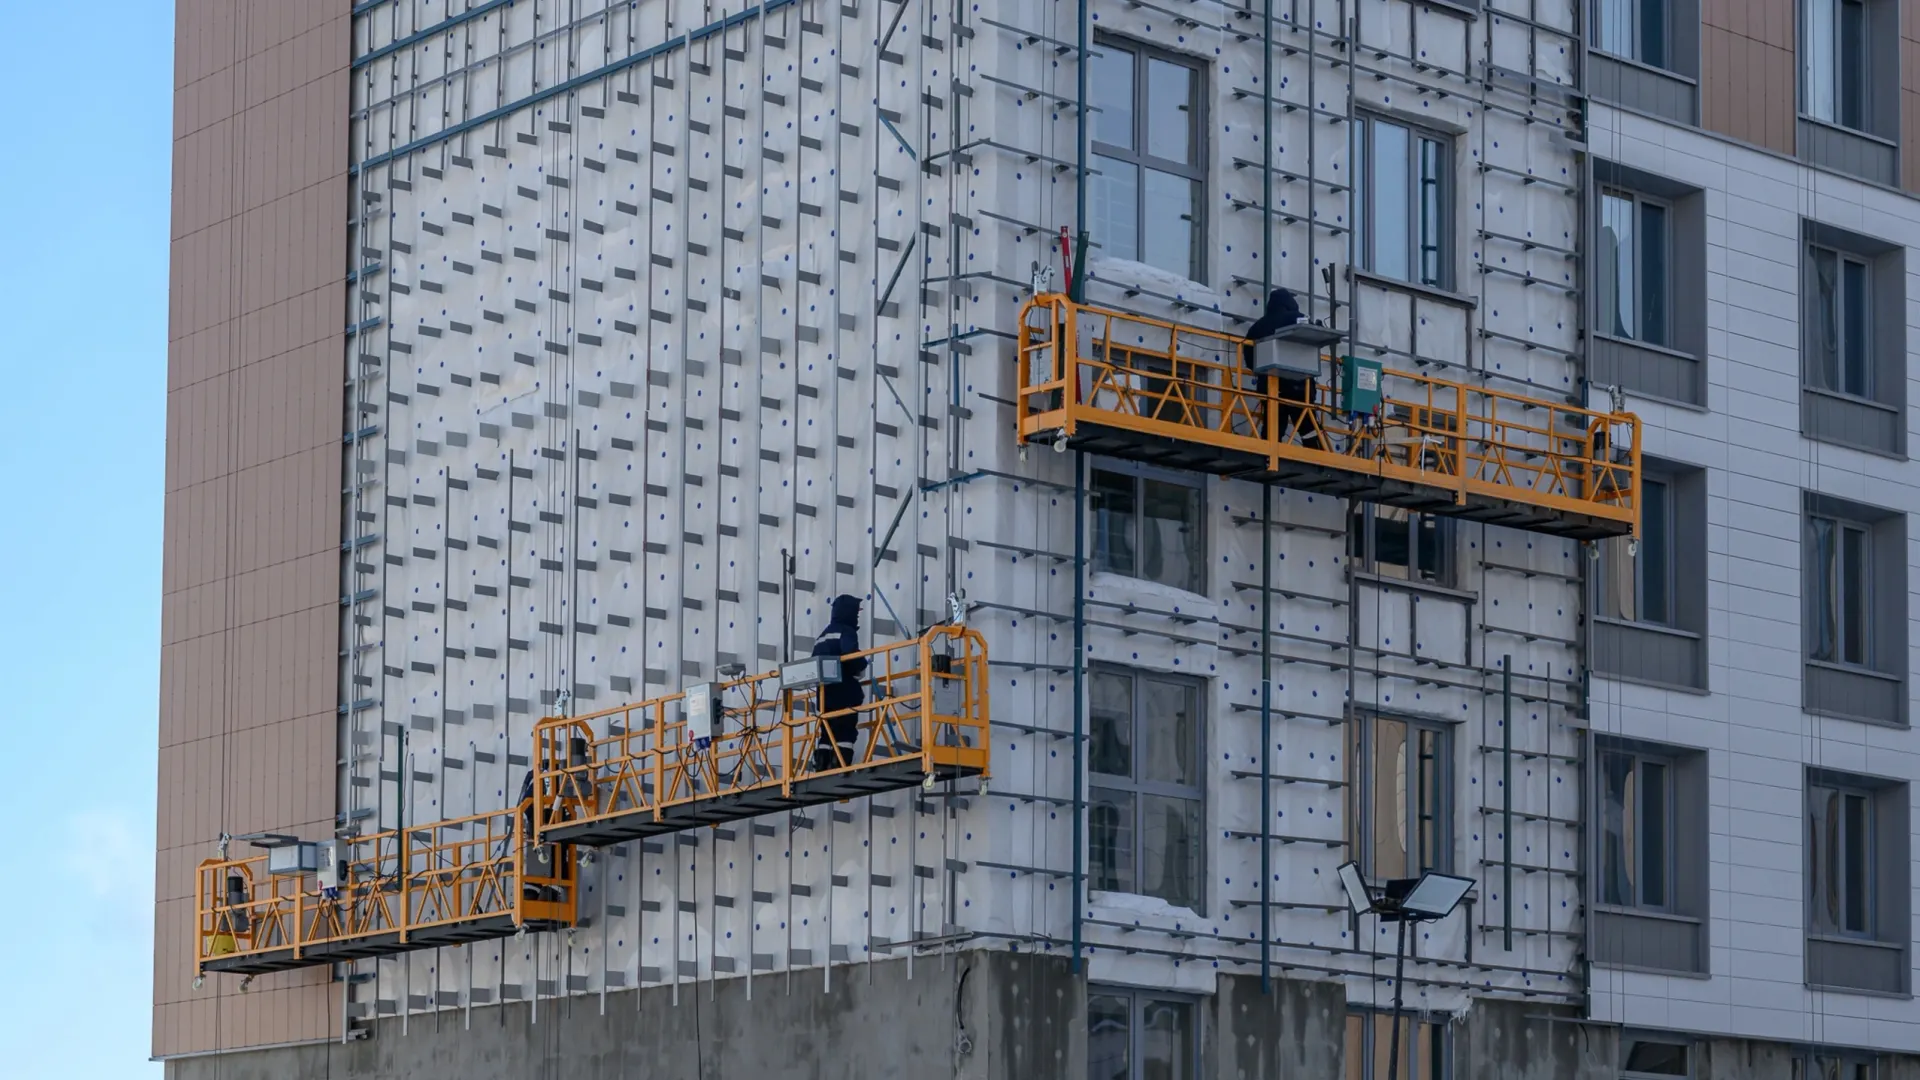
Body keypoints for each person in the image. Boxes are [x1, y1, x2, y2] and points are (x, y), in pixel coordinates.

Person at [1241, 287, 1316, 445]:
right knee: (1307, 425)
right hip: (1298, 385)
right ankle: (1318, 457)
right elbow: (1311, 338)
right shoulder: (1297, 318)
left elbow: (1249, 359)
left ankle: (1267, 455)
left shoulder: (1256, 328)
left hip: (1268, 386)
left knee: (1273, 425)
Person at [810, 594, 870, 771]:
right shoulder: (846, 630)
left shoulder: (822, 636)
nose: (857, 616)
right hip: (844, 690)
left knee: (827, 731)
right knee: (845, 729)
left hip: (824, 694)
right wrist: (861, 665)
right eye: (856, 612)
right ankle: (840, 763)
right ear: (848, 613)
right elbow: (850, 653)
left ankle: (822, 763)